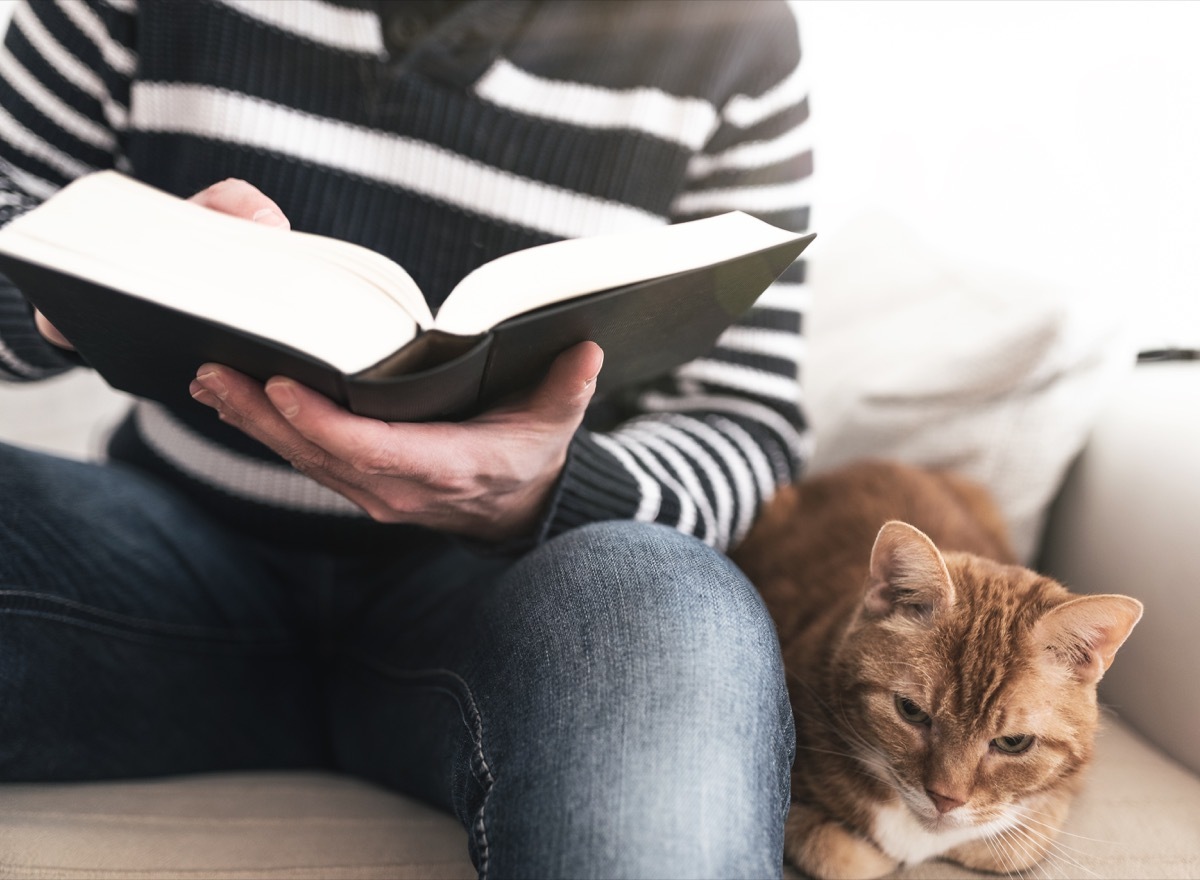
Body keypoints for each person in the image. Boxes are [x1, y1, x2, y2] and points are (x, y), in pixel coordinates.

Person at [0, 1, 812, 876]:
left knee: (668, 608)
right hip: (143, 573)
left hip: (502, 609)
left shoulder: (732, 35)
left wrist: (541, 492)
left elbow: (744, 426)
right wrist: (82, 277)